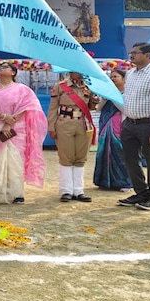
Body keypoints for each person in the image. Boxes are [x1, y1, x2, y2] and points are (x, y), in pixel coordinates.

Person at [0, 62, 47, 205]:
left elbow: (28, 105)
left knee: (15, 159)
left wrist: (9, 123)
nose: (0, 69)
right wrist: (1, 117)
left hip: (16, 128)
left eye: (5, 67)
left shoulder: (22, 89)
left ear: (13, 73)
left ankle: (17, 193)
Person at [118, 42, 150, 211]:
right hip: (129, 123)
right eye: (131, 52)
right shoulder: (130, 73)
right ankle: (140, 192)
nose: (131, 55)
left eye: (135, 53)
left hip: (149, 123)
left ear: (147, 55)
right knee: (130, 159)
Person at [48, 72, 99, 203]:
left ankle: (78, 190)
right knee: (66, 156)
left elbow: (91, 107)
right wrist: (51, 127)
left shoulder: (88, 86)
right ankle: (66, 190)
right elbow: (53, 108)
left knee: (81, 157)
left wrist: (94, 101)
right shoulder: (61, 86)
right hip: (65, 122)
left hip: (83, 123)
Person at [93, 69, 131, 191]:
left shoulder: (128, 93)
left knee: (119, 151)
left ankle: (124, 182)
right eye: (111, 77)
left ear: (124, 79)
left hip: (119, 126)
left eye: (116, 76)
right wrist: (104, 98)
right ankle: (104, 181)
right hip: (105, 124)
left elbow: (125, 109)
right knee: (104, 151)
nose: (113, 78)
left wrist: (113, 97)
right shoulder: (108, 92)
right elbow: (98, 109)